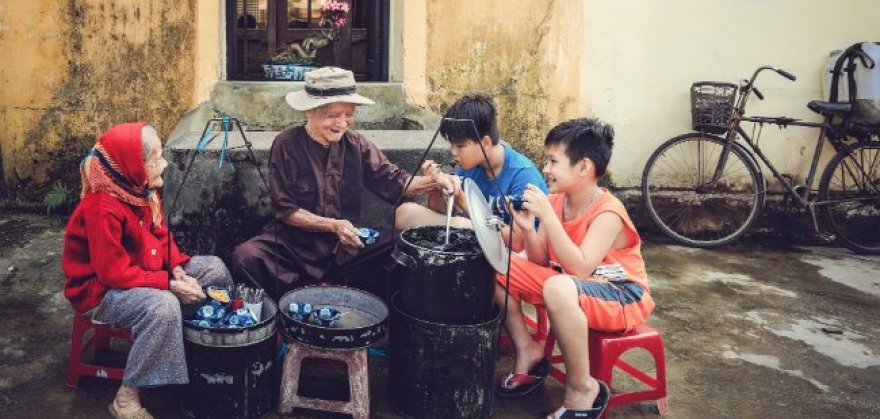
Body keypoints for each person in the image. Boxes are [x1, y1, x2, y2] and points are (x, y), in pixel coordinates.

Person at [231, 67, 458, 300]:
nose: (342, 123)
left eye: (348, 114)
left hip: (346, 247)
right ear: (310, 111)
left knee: (405, 244)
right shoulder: (286, 145)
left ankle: (368, 305)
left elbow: (396, 181)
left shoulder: (356, 144)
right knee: (246, 257)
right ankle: (297, 303)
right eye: (332, 115)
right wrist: (333, 225)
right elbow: (286, 211)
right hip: (295, 247)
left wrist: (434, 181)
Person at [62, 122, 233, 419]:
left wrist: (177, 267)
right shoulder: (103, 206)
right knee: (162, 307)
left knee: (214, 270)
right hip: (101, 291)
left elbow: (160, 235)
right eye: (154, 158)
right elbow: (112, 273)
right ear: (132, 163)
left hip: (141, 272)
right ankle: (126, 399)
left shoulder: (140, 189)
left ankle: (193, 357)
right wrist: (167, 283)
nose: (162, 164)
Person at [496, 118, 655, 419]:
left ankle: (582, 388)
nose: (545, 169)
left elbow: (581, 267)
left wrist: (547, 216)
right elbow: (540, 263)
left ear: (583, 167)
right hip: (570, 285)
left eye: (553, 161)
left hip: (621, 295)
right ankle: (527, 349)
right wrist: (530, 229)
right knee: (494, 266)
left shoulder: (608, 212)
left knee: (558, 286)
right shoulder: (556, 202)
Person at [395, 94, 547, 232]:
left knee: (463, 225)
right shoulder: (468, 165)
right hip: (478, 232)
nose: (453, 152)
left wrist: (464, 202)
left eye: (460, 146)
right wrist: (435, 185)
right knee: (404, 213)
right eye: (452, 144)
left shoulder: (522, 175)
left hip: (515, 250)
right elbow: (439, 218)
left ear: (486, 143)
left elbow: (519, 241)